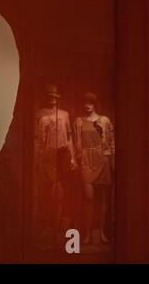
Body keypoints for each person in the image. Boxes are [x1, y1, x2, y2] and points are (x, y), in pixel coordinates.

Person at [34, 84, 77, 246]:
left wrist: (72, 157)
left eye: (54, 97)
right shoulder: (40, 115)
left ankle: (60, 223)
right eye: (49, 97)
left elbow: (70, 137)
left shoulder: (64, 115)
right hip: (48, 155)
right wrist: (38, 160)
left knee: (61, 190)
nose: (52, 100)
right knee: (47, 191)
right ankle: (48, 224)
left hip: (63, 154)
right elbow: (38, 139)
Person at [73, 92, 114, 244]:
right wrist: (77, 159)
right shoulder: (78, 121)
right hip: (86, 161)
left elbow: (110, 142)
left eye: (90, 102)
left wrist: (109, 159)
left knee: (102, 199)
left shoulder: (104, 120)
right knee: (88, 198)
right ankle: (87, 234)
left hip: (102, 160)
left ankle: (102, 233)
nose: (87, 105)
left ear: (95, 104)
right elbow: (76, 142)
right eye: (85, 102)